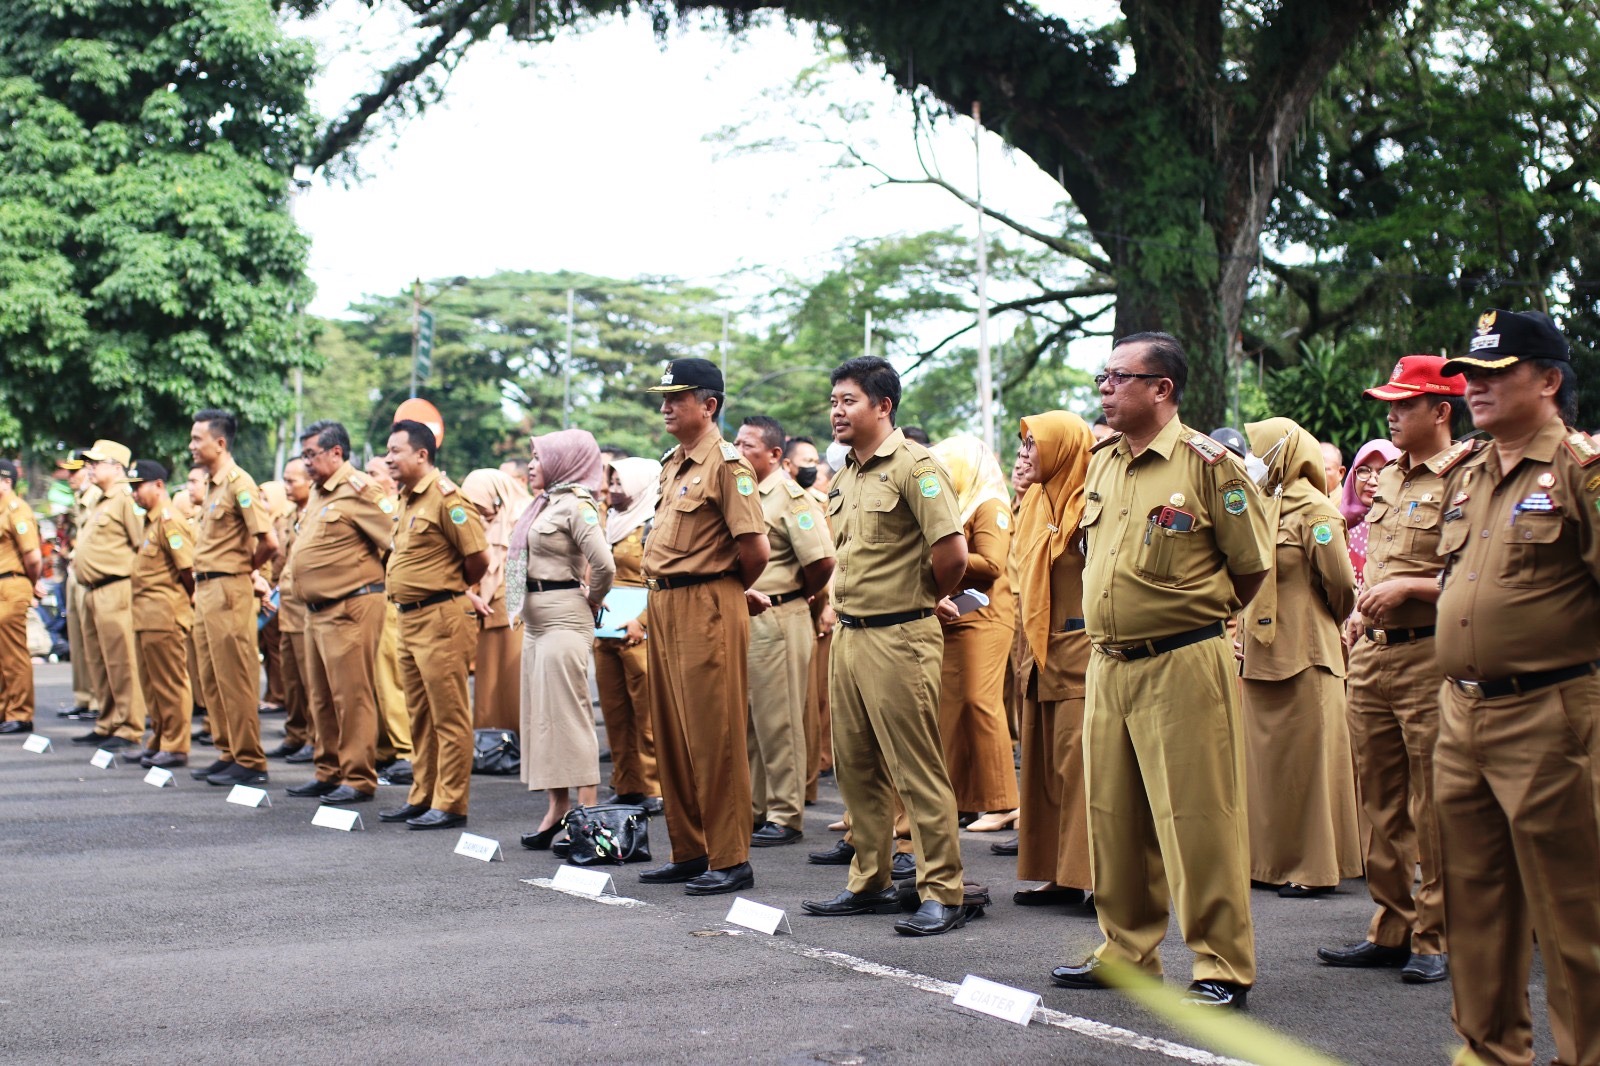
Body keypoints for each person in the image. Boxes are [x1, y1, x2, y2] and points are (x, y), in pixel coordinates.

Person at [1052, 332, 1271, 1008]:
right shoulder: (1103, 462)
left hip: (1181, 659)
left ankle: (1220, 964)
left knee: (1198, 816)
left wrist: (1189, 619)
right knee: (1113, 816)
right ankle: (1126, 951)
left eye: (1118, 377)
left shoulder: (1210, 465)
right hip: (1109, 662)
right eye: (1102, 377)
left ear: (1161, 389)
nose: (1104, 388)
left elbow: (1252, 565)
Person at [1431, 308, 1600, 1066]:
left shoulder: (1581, 470)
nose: (1478, 388)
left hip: (1550, 713)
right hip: (1462, 713)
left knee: (1575, 912)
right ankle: (1489, 1051)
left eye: (1498, 375)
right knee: (1476, 906)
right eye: (1473, 375)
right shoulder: (1466, 473)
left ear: (1549, 381)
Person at [799, 355, 970, 937]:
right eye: (833, 401)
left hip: (900, 634)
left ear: (883, 405)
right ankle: (870, 880)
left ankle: (942, 890)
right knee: (856, 766)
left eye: (847, 400)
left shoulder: (916, 467)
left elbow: (952, 555)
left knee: (915, 768)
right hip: (849, 634)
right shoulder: (846, 474)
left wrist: (923, 599)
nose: (836, 411)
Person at [1317, 355, 1464, 985]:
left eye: (1405, 404)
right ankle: (1391, 925)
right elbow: (1374, 563)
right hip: (1374, 650)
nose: (1391, 414)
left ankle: (1437, 937)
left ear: (1441, 411)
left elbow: (1480, 575)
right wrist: (1362, 613)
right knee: (1378, 798)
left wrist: (1410, 586)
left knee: (1434, 801)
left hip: (1430, 650)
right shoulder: (1392, 479)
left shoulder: (1464, 477)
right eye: (1390, 404)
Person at [636, 357, 768, 896]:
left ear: (709, 405)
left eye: (678, 398)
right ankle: (690, 849)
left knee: (715, 734)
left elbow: (754, 550)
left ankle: (731, 856)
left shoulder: (727, 466)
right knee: (670, 733)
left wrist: (724, 589)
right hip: (665, 603)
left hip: (707, 601)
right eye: (664, 398)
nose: (666, 406)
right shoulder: (674, 463)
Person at [1238, 418, 1360, 896]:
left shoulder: (1316, 510)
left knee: (1309, 767)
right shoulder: (1263, 505)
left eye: (1261, 450)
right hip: (1263, 653)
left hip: (1306, 654)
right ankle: (1266, 862)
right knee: (1267, 767)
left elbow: (1342, 586)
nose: (1253, 460)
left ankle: (1312, 869)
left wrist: (1315, 622)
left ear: (1285, 456)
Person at [505, 429, 614, 847]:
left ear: (564, 460)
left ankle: (584, 813)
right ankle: (557, 808)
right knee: (541, 717)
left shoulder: (577, 505)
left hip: (564, 617)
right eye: (531, 457)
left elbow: (604, 563)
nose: (532, 464)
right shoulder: (543, 503)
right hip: (535, 621)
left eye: (538, 457)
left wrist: (594, 599)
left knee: (568, 716)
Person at [379, 420, 489, 829]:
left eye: (396, 451)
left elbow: (478, 558)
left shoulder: (446, 498)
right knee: (419, 714)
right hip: (408, 618)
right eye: (387, 452)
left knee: (449, 714)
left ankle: (450, 802)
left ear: (421, 455)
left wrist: (448, 587)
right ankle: (422, 795)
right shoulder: (407, 499)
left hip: (441, 616)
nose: (389, 458)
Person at [736, 415, 836, 848]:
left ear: (775, 455)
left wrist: (800, 598)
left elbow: (822, 562)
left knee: (781, 719)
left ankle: (784, 813)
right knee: (754, 721)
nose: (738, 452)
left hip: (781, 613)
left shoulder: (790, 498)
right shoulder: (745, 493)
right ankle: (759, 807)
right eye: (735, 443)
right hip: (750, 617)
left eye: (748, 446)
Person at [1010, 412, 1096, 907]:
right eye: (1022, 445)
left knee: (1080, 767)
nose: (1025, 454)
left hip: (1078, 651)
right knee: (1044, 768)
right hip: (1038, 652)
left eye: (1033, 445)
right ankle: (1058, 872)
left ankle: (1092, 878)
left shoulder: (1088, 504)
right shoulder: (1037, 502)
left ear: (1062, 448)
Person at [286, 421, 395, 807]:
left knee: (352, 697)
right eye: (304, 456)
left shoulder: (361, 489)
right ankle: (328, 769)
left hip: (351, 605)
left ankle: (357, 776)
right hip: (316, 611)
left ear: (336, 452)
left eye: (311, 455)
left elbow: (396, 540)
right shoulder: (319, 492)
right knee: (322, 698)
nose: (306, 463)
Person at [927, 434, 1019, 832]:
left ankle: (1004, 802)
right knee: (951, 709)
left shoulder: (990, 504)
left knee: (981, 704)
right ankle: (963, 800)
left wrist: (945, 558)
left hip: (986, 618)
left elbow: (993, 564)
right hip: (955, 618)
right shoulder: (957, 506)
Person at [187, 410, 278, 787]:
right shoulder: (212, 485)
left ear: (220, 443)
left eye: (197, 439)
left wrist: (243, 568)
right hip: (206, 588)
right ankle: (229, 752)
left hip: (229, 587)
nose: (191, 446)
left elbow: (269, 542)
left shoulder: (240, 484)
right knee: (212, 676)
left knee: (236, 675)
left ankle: (250, 758)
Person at [593, 456, 662, 808]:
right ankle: (626, 783)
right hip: (606, 629)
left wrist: (643, 621)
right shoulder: (608, 520)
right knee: (615, 712)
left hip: (640, 629)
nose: (613, 490)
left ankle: (654, 787)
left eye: (620, 483)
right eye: (612, 483)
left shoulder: (654, 522)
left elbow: (663, 582)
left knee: (648, 716)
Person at [71, 440, 147, 751]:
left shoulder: (125, 500)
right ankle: (107, 721)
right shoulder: (99, 500)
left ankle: (129, 726)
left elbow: (142, 544)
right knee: (98, 660)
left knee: (122, 661)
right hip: (92, 590)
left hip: (115, 587)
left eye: (96, 462)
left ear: (117, 468)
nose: (89, 466)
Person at [125, 461, 195, 767]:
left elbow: (188, 570)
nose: (134, 493)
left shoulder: (169, 521)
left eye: (138, 486)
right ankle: (159, 738)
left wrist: (184, 604)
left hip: (165, 615)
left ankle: (176, 744)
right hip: (146, 616)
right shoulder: (150, 523)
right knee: (152, 684)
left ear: (158, 485)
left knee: (170, 682)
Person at [460, 468, 531, 732]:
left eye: (481, 507)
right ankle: (489, 742)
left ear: (499, 498)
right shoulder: (476, 524)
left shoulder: (522, 518)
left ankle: (516, 738)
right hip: (483, 612)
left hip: (514, 612)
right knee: (487, 683)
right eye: (471, 507)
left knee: (513, 681)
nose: (477, 514)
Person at [364, 455, 413, 775]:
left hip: (395, 601)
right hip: (376, 601)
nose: (367, 479)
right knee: (375, 680)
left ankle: (405, 750)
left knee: (393, 680)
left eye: (373, 474)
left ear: (390, 481)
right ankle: (384, 747)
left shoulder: (390, 509)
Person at [266, 458, 313, 761]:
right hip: (286, 606)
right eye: (284, 481)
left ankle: (314, 737)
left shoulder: (317, 512)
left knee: (310, 681)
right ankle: (296, 734)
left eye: (292, 481)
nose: (286, 487)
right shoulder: (287, 515)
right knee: (291, 679)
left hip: (306, 606)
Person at [0, 458, 43, 735]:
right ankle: (6, 709)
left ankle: (20, 713)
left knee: (14, 653)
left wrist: (32, 583)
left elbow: (33, 556)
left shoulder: (17, 509)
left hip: (12, 584)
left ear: (6, 481)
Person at [1338, 439, 1403, 609]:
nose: (1372, 481)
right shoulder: (1338, 525)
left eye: (1383, 472)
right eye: (1364, 471)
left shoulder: (1406, 526)